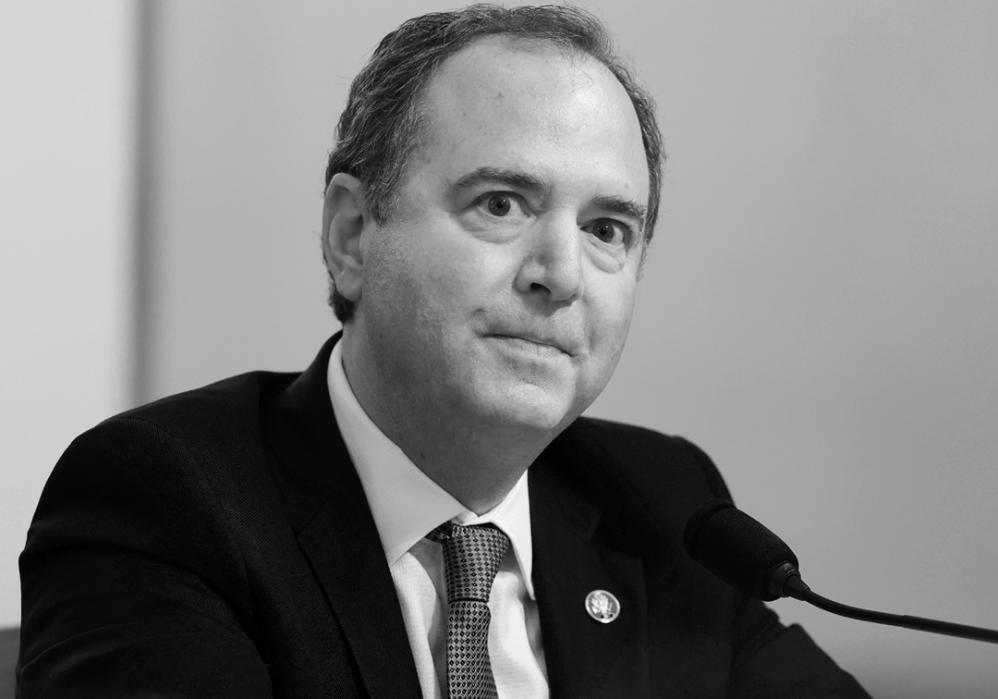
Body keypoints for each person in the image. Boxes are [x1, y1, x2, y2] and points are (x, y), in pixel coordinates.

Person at [19, 5, 869, 697]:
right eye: (502, 204)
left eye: (608, 229)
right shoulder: (165, 500)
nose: (560, 275)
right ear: (353, 234)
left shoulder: (667, 511)